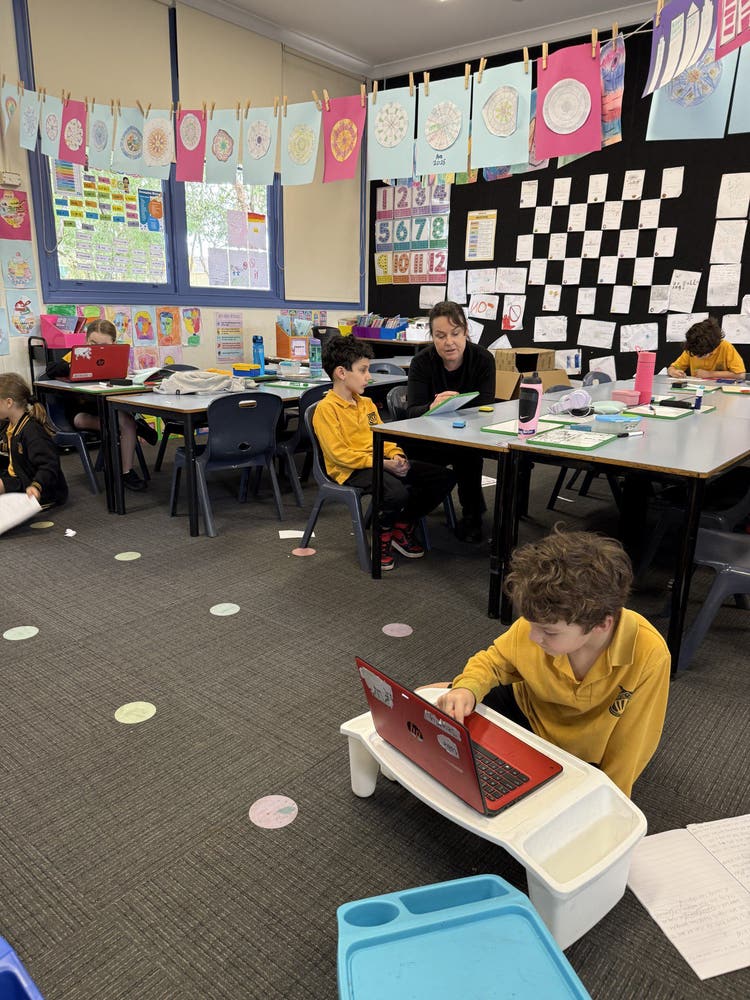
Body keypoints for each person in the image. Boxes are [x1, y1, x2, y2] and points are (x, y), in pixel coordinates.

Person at [436, 529, 670, 797]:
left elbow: (632, 742)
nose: (534, 637)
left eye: (549, 632)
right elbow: (493, 662)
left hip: (581, 753)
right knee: (436, 704)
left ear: (601, 624)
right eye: (531, 625)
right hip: (527, 711)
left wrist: (610, 799)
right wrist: (466, 688)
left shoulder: (649, 653)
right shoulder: (544, 620)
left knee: (530, 819)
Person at [313, 335, 455, 571]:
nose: (369, 376)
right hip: (349, 470)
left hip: (378, 462)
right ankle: (382, 535)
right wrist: (383, 463)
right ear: (341, 372)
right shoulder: (326, 410)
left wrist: (396, 455)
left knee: (443, 477)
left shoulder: (367, 405)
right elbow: (340, 455)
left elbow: (383, 436)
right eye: (363, 370)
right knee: (395, 492)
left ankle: (401, 525)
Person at [406, 301, 496, 543]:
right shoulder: (422, 363)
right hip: (428, 438)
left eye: (455, 334)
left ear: (466, 331)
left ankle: (472, 518)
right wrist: (432, 407)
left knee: (468, 454)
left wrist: (455, 406)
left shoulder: (483, 359)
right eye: (440, 336)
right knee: (409, 454)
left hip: (467, 436)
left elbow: (487, 406)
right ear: (432, 337)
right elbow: (411, 411)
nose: (449, 342)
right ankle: (405, 516)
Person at [46, 318, 157, 491]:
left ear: (114, 343)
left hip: (109, 406)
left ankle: (126, 472)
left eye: (104, 345)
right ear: (85, 340)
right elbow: (52, 369)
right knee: (85, 421)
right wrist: (72, 365)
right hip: (80, 409)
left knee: (125, 423)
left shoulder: (116, 359)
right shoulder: (78, 354)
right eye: (93, 343)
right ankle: (137, 426)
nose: (97, 348)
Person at [0, 372, 68, 507]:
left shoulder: (32, 432)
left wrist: (36, 486)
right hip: (17, 476)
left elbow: (49, 465)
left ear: (9, 402)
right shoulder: (8, 425)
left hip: (34, 487)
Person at [667, 316, 745, 380]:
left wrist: (710, 374)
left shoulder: (726, 347)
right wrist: (672, 371)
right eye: (695, 354)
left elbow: (741, 375)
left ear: (714, 347)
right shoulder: (692, 347)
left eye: (701, 355)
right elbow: (673, 367)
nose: (697, 357)